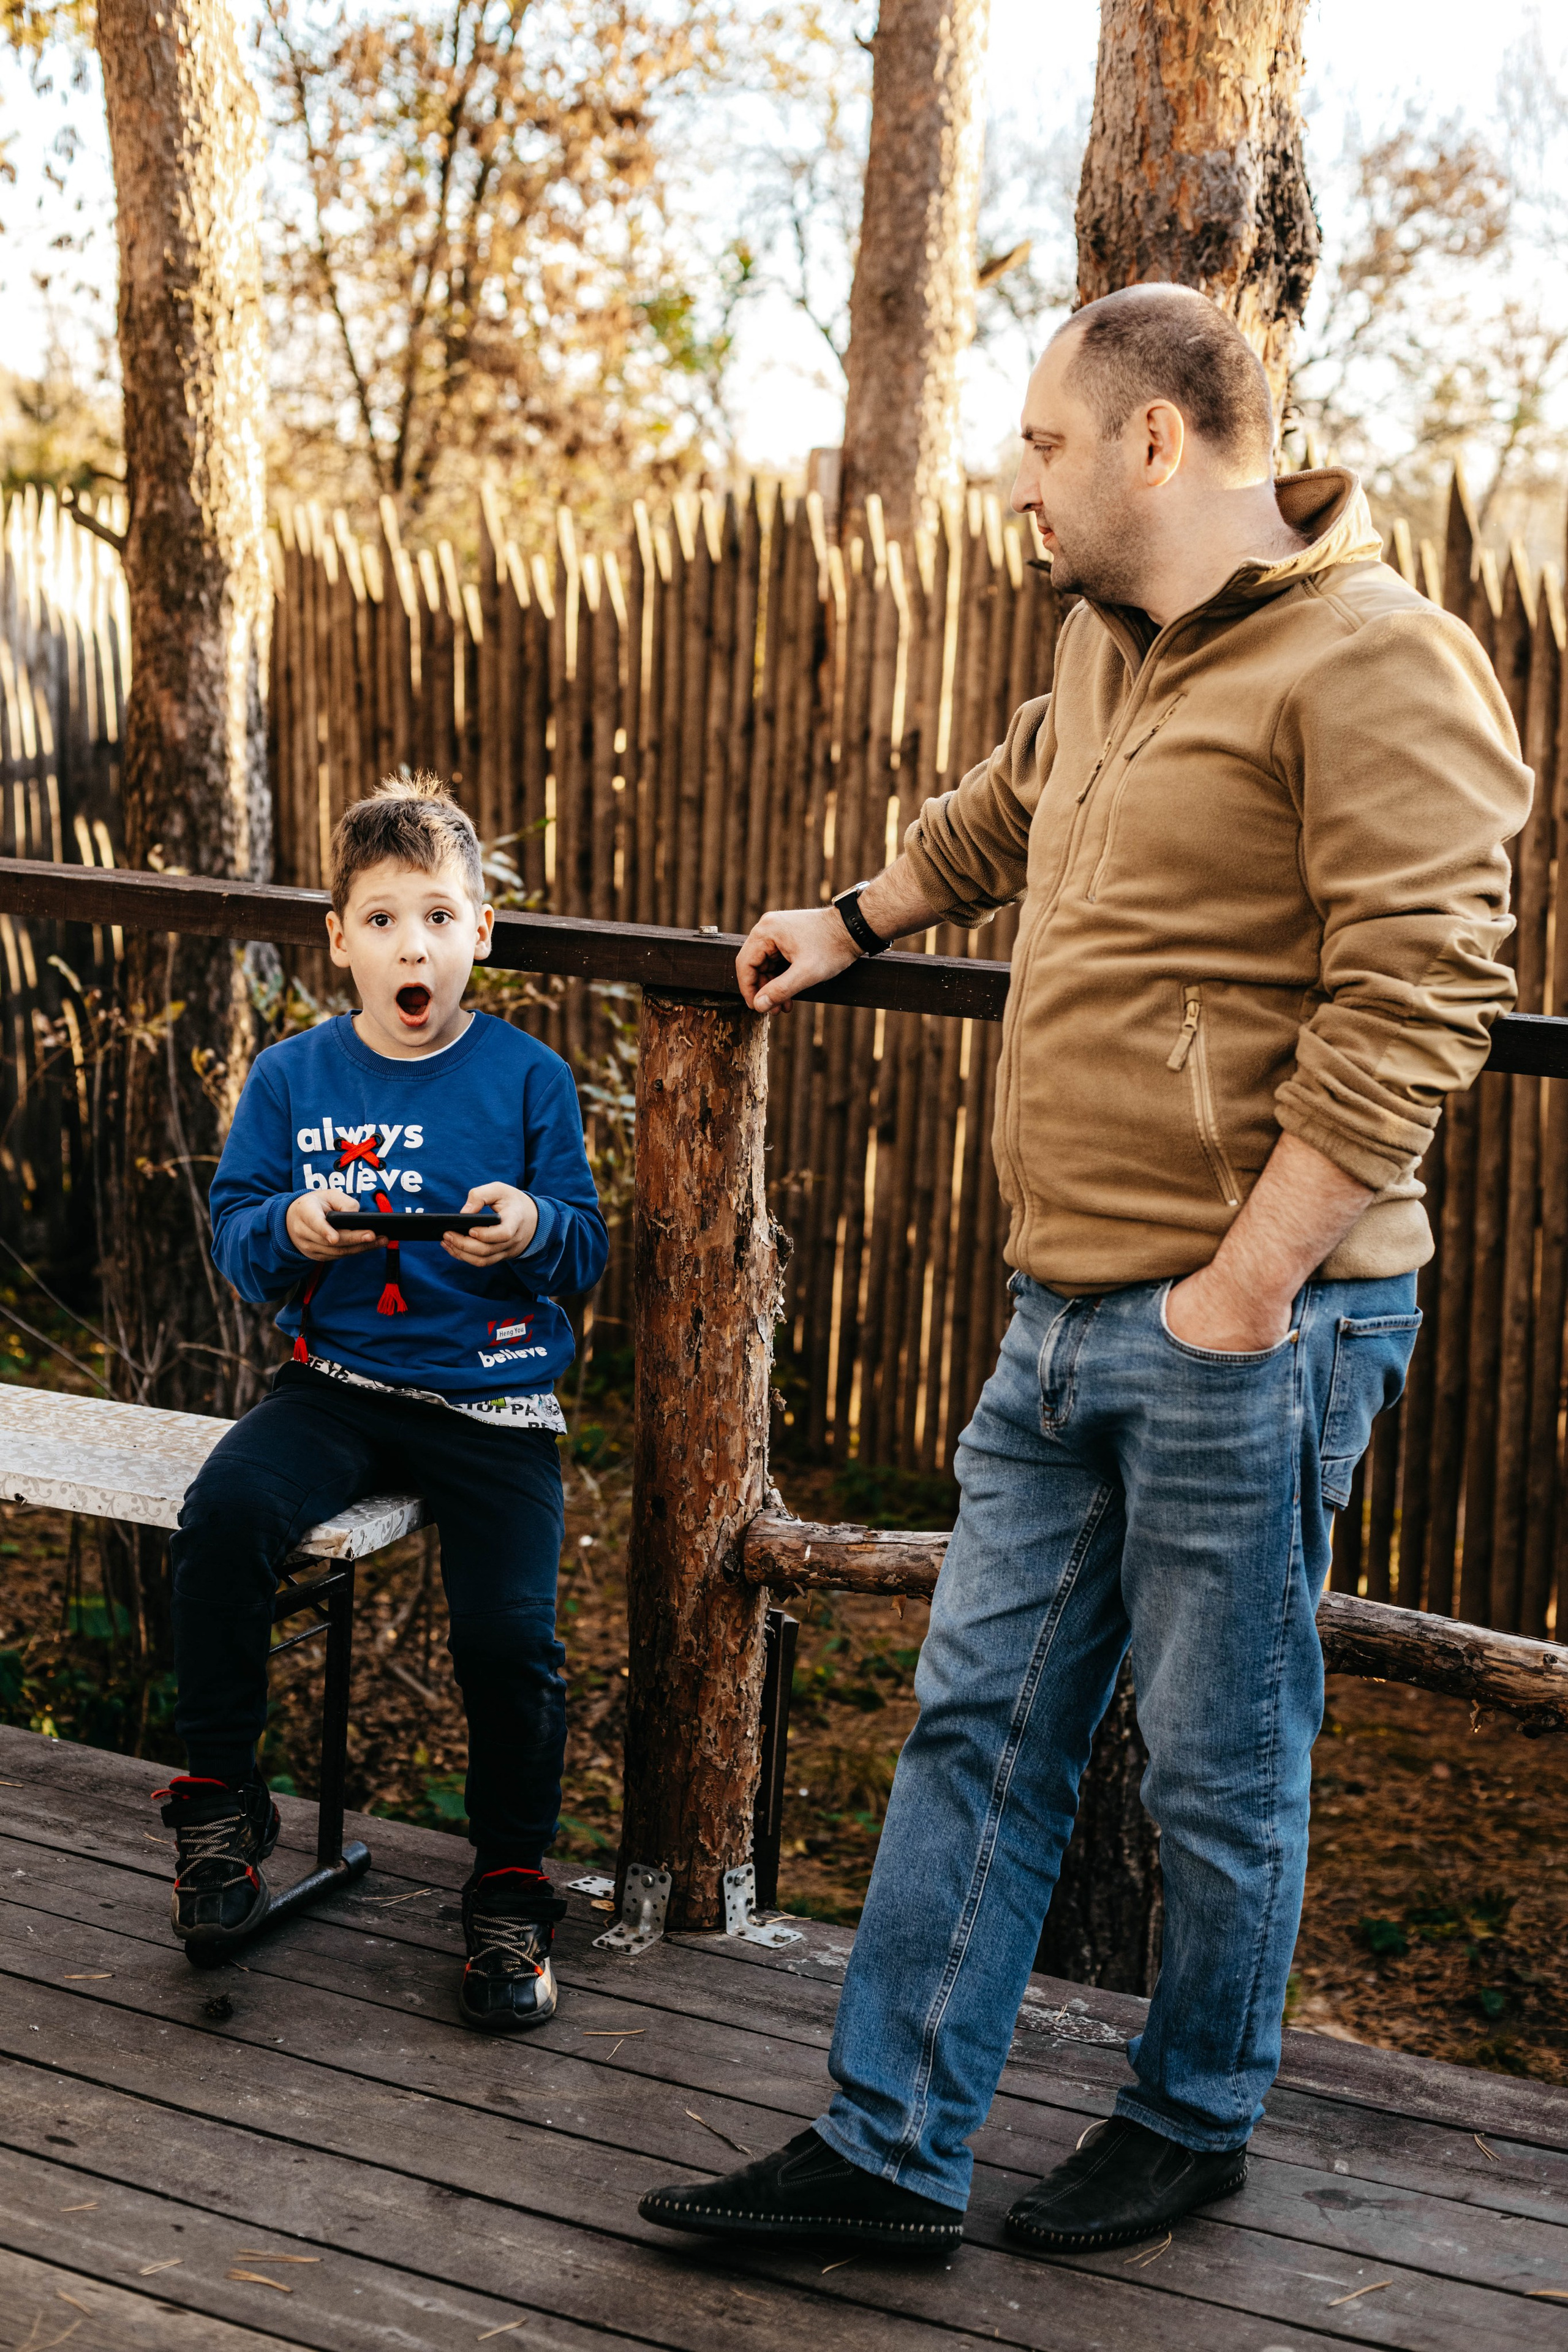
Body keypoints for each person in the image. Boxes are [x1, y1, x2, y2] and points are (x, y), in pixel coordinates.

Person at [638, 286, 1531, 2256]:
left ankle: (1198, 2113)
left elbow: (1428, 994)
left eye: (1043, 440)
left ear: (1153, 441)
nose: (1015, 476)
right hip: (1060, 1310)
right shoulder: (1104, 646)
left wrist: (1244, 1284)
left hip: (1254, 1321)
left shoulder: (1385, 661)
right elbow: (1021, 794)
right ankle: (889, 2151)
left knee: (1220, 1762)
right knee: (977, 1725)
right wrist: (858, 911)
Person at [156, 775, 608, 2032]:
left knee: (507, 1640)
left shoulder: (527, 1080)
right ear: (339, 939)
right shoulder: (295, 1077)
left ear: (482, 935)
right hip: (337, 1387)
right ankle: (220, 1816)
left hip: (495, 1406)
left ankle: (510, 1892)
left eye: (440, 916)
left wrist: (526, 1227)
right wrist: (296, 1227)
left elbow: (582, 1251)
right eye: (384, 919)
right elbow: (242, 1241)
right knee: (226, 1518)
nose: (414, 944)